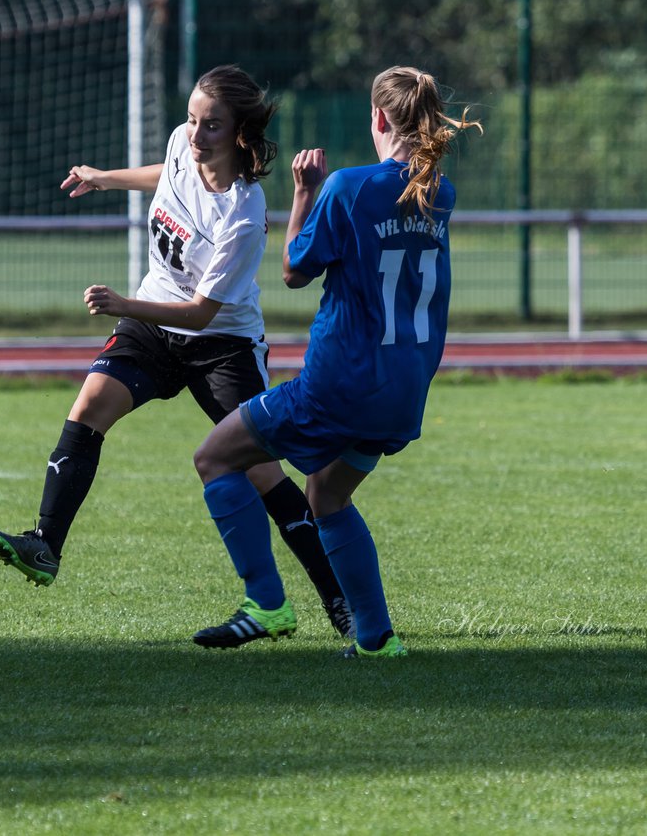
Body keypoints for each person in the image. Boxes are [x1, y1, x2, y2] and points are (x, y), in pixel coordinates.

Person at [0, 64, 354, 639]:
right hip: (154, 323)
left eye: (212, 126)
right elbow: (168, 174)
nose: (195, 132)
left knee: (258, 472)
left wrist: (124, 305)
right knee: (88, 410)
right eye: (192, 119)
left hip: (221, 345)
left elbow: (203, 314)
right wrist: (106, 178)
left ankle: (339, 601)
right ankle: (45, 546)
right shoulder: (184, 143)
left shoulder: (244, 212)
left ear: (238, 134)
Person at [190, 65, 481, 657]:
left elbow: (295, 271)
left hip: (338, 385)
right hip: (404, 392)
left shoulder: (349, 187)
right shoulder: (438, 192)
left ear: (377, 118)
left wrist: (303, 194)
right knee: (327, 496)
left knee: (215, 457)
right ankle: (375, 640)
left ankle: (266, 604)